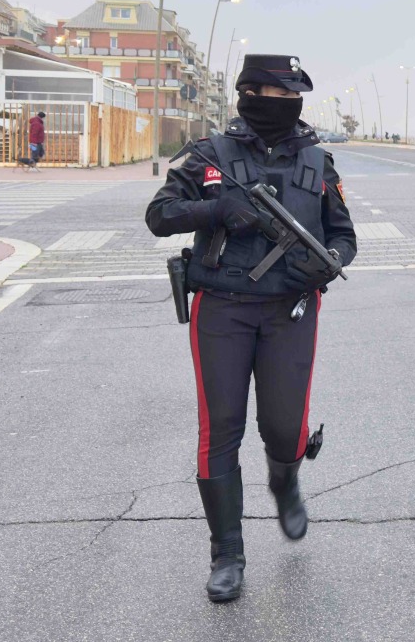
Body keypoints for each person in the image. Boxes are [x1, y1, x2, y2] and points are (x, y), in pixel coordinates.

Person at [145, 54, 357, 603]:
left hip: (291, 310)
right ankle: (227, 555)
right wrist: (216, 210)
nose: (285, 105)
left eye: (292, 97)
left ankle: (285, 480)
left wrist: (331, 259)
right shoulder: (209, 155)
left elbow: (344, 234)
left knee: (285, 428)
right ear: (247, 94)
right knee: (221, 428)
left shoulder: (317, 160)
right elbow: (160, 214)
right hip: (223, 308)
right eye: (275, 94)